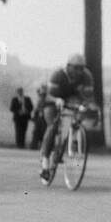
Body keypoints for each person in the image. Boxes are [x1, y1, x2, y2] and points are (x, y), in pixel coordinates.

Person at [39, 54, 95, 182]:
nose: (79, 72)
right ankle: (45, 162)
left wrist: (89, 105)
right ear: (68, 66)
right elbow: (49, 96)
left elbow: (88, 97)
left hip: (71, 100)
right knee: (53, 125)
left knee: (78, 116)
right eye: (76, 68)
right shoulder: (58, 75)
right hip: (52, 100)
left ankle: (70, 141)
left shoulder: (86, 76)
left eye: (81, 68)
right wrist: (57, 100)